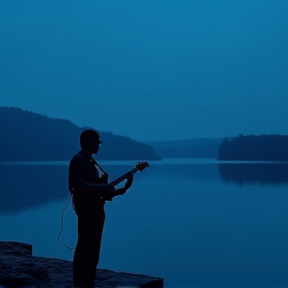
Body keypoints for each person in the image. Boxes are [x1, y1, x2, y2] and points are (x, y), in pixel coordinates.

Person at [68, 129, 133, 288]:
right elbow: (77, 186)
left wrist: (121, 189)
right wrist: (102, 188)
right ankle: (80, 282)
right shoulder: (78, 160)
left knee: (94, 249)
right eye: (96, 142)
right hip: (87, 211)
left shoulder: (90, 162)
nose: (98, 145)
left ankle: (88, 280)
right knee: (85, 246)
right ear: (88, 142)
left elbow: (98, 191)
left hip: (96, 211)